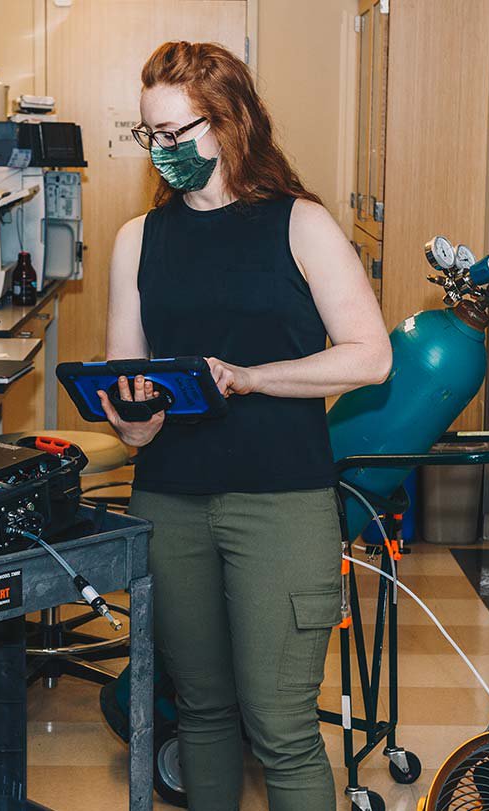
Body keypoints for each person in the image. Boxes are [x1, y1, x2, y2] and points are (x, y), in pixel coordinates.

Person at [102, 41, 393, 810]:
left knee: (282, 724)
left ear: (230, 122)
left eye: (176, 133)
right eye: (149, 136)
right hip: (169, 500)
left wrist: (253, 377)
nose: (162, 152)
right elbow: (131, 414)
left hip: (280, 501)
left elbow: (371, 357)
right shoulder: (139, 240)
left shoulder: (300, 225)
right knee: (201, 712)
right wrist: (134, 410)